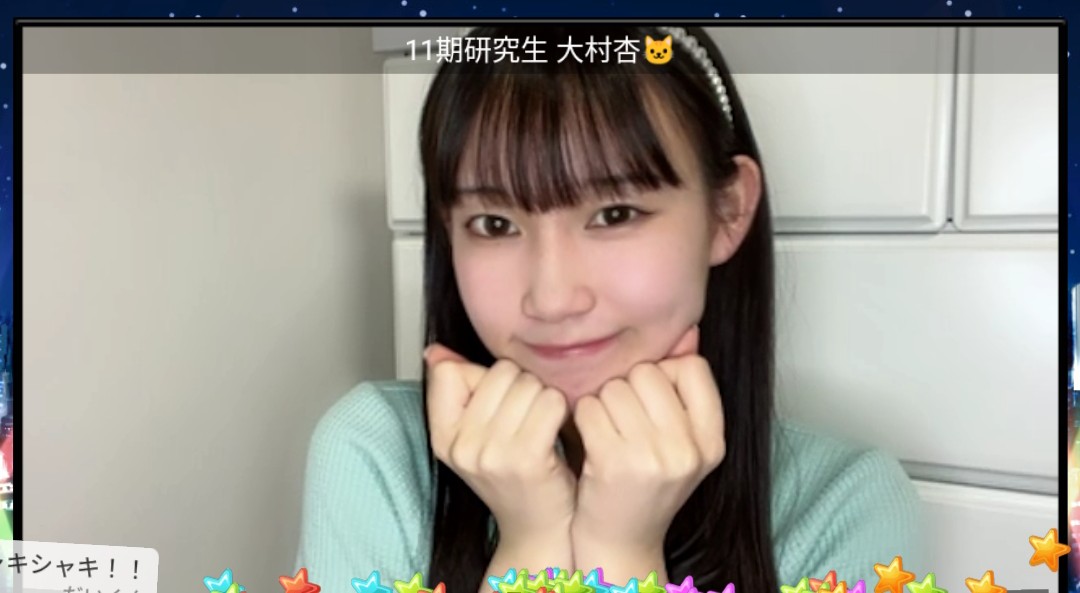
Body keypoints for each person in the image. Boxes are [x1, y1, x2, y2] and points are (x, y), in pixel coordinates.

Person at [296, 25, 922, 593]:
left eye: (615, 214)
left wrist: (621, 551)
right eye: (494, 224)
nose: (552, 298)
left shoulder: (845, 505)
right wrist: (531, 541)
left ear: (727, 212)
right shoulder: (376, 455)